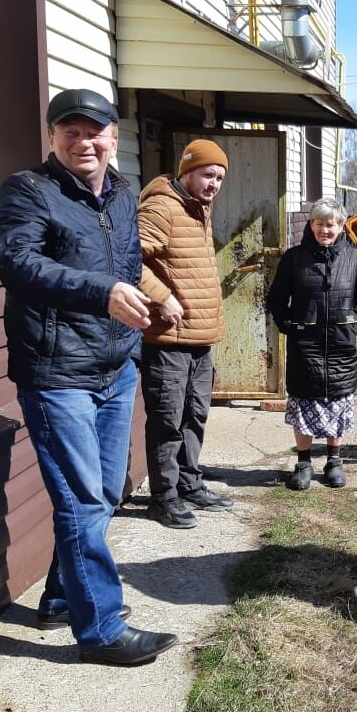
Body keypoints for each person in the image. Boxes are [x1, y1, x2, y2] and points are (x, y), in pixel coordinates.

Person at [0, 88, 177, 665]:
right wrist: (103, 295)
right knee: (81, 500)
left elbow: (126, 266)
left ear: (113, 138)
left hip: (115, 368)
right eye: (69, 131)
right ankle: (100, 629)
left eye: (94, 131)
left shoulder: (123, 197)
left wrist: (153, 299)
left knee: (100, 493)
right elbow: (17, 263)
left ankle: (58, 597)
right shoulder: (29, 191)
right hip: (57, 373)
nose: (83, 142)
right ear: (52, 139)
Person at [137, 140, 235, 528]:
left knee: (195, 414)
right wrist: (161, 297)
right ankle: (163, 496)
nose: (214, 184)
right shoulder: (162, 207)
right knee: (167, 419)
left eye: (220, 178)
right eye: (208, 175)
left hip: (199, 337)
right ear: (186, 172)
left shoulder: (197, 208)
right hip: (168, 340)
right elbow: (128, 260)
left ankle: (189, 483)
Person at [265, 199, 357, 490]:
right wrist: (288, 325)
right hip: (306, 344)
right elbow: (276, 299)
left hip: (341, 344)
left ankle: (334, 461)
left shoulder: (355, 258)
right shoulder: (294, 258)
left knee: (337, 400)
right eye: (319, 223)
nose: (325, 229)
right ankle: (303, 463)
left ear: (340, 227)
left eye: (331, 224)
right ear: (310, 225)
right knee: (304, 402)